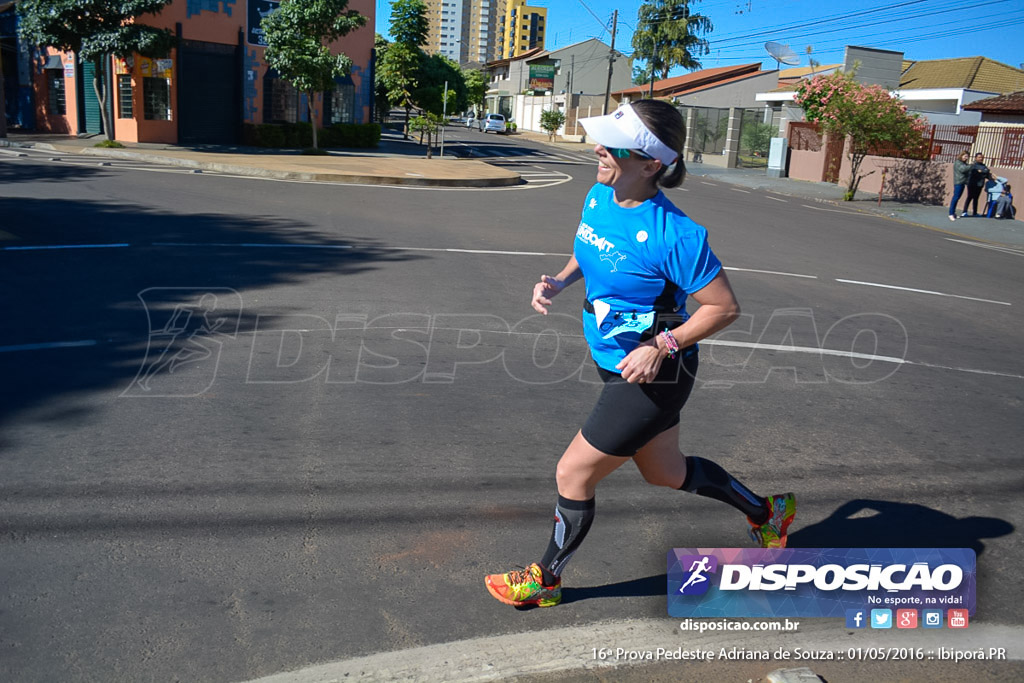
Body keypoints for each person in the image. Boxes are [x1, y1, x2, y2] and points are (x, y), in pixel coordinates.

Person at [484, 101, 795, 609]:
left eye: (612, 144)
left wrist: (662, 345)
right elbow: (589, 248)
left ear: (652, 164)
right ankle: (767, 513)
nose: (597, 148)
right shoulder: (598, 194)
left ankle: (545, 580)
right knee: (665, 473)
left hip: (654, 374)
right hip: (613, 360)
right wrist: (560, 281)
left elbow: (724, 308)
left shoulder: (678, 235)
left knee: (573, 473)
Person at [962, 153, 993, 217]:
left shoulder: (984, 166)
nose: (981, 159)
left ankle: (975, 212)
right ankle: (964, 212)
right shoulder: (973, 165)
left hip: (979, 184)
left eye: (981, 157)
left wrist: (981, 172)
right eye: (979, 157)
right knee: (969, 197)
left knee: (976, 198)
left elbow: (986, 172)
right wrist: (981, 172)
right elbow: (974, 173)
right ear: (976, 158)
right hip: (972, 184)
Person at [949, 152, 970, 221]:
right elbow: (963, 169)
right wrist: (971, 166)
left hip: (962, 182)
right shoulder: (958, 163)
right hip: (958, 182)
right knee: (955, 197)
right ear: (961, 156)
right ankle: (951, 213)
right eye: (965, 156)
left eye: (967, 157)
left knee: (957, 198)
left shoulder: (964, 164)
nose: (966, 158)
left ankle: (953, 213)